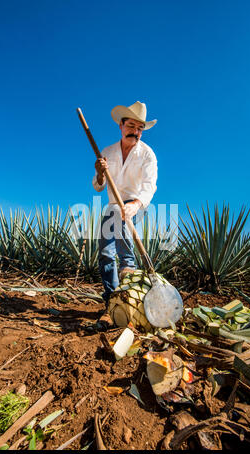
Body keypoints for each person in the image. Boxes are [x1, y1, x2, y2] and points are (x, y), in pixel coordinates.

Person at [93, 101, 158, 307]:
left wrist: (135, 204)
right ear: (121, 126)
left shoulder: (147, 154)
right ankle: (112, 300)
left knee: (121, 217)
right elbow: (98, 186)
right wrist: (100, 173)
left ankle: (129, 271)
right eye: (131, 126)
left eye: (140, 128)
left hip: (136, 205)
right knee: (105, 252)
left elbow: (149, 186)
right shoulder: (108, 152)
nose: (135, 132)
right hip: (113, 205)